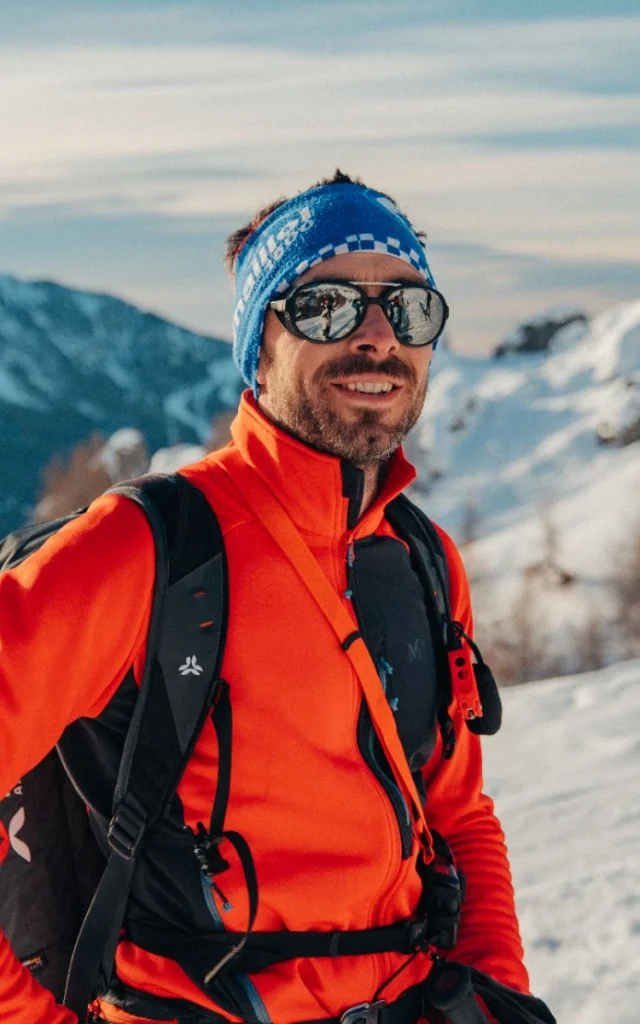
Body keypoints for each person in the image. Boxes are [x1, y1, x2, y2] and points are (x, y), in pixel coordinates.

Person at [0, 171, 533, 1024]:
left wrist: (498, 991)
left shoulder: (422, 559)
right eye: (326, 305)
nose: (375, 336)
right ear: (261, 343)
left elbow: (460, 816)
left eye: (409, 308)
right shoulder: (147, 547)